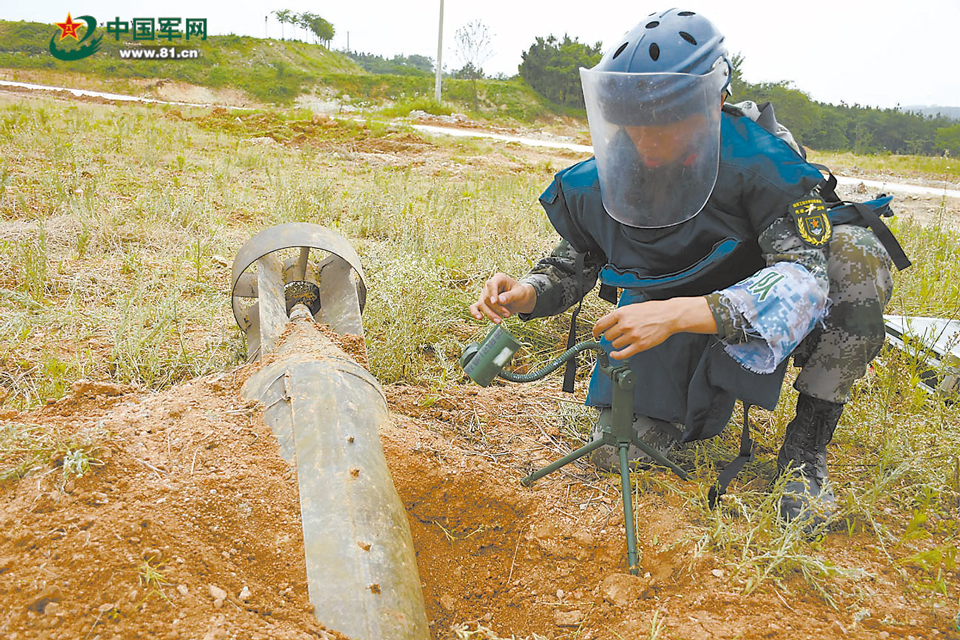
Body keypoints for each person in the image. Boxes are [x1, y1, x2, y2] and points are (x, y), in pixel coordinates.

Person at [469, 8, 894, 527]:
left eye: (664, 122)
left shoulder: (764, 163)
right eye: (633, 122)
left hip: (751, 314)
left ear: (712, 102)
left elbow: (804, 280)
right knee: (621, 451)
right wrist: (528, 291)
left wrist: (676, 315)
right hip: (665, 312)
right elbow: (574, 262)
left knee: (856, 254)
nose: (645, 141)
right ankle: (694, 392)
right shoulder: (619, 164)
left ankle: (805, 450)